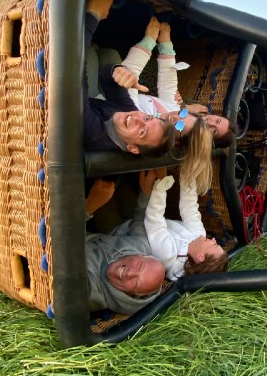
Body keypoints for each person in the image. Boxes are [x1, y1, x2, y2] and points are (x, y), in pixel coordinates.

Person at [108, 18, 236, 150]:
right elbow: (169, 87)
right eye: (217, 121)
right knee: (109, 53)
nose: (210, 123)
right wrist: (166, 45)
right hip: (112, 82)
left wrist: (148, 41)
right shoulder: (179, 114)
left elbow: (127, 85)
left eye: (214, 131)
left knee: (106, 55)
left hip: (106, 95)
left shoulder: (145, 126)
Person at [83, 0, 175, 155]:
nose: (139, 120)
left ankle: (93, 47)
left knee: (88, 54)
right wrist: (116, 72)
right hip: (88, 96)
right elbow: (106, 76)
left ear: (132, 148)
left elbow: (71, 78)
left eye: (142, 132)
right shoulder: (132, 115)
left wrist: (92, 15)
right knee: (111, 55)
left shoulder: (94, 133)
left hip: (71, 93)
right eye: (148, 118)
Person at [85, 179, 166, 315]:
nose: (130, 273)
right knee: (119, 183)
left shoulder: (89, 291)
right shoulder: (140, 248)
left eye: (135, 283)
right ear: (141, 255)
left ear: (134, 295)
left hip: (70, 236)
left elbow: (57, 241)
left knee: (100, 186)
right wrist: (146, 192)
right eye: (139, 266)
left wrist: (88, 207)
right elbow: (141, 219)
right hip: (108, 235)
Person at [140, 169, 228, 279]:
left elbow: (154, 219)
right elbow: (189, 208)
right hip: (147, 216)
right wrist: (189, 173)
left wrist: (161, 184)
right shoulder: (199, 235)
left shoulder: (169, 255)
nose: (214, 239)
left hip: (137, 225)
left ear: (200, 257)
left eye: (214, 245)